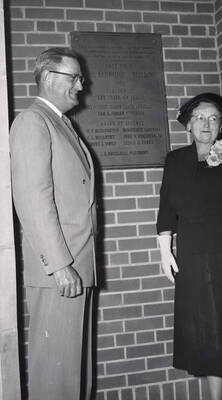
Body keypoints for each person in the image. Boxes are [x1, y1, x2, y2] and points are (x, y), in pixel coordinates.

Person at [157, 93, 222, 400]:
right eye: (200, 118)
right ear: (188, 125)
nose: (207, 123)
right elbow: (166, 209)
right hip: (193, 256)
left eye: (214, 118)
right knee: (207, 329)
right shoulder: (175, 160)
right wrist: (166, 251)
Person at [10, 47, 97, 400]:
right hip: (61, 271)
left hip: (78, 264)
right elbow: (33, 200)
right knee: (56, 379)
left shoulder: (63, 123)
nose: (81, 84)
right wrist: (60, 265)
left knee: (76, 374)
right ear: (48, 78)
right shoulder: (33, 121)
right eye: (74, 77)